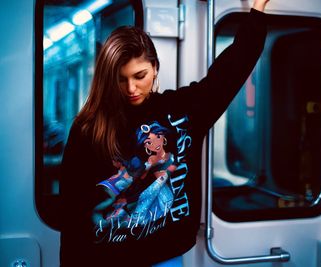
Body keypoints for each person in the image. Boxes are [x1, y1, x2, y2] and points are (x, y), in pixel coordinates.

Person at [60, 0, 271, 266]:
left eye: (140, 75)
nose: (131, 88)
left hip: (165, 258)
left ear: (155, 68)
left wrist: (258, 10)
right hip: (106, 259)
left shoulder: (182, 111)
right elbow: (72, 214)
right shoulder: (89, 128)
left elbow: (230, 71)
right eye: (120, 78)